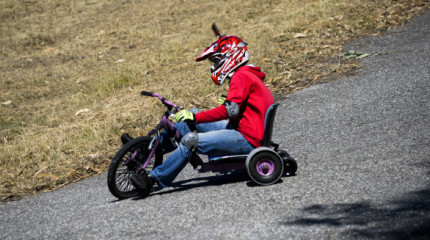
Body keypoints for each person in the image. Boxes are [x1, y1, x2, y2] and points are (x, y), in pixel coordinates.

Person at [130, 34, 274, 194]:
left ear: (230, 58)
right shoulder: (246, 74)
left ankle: (152, 179)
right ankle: (146, 150)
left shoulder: (240, 77)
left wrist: (197, 117)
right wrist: (204, 112)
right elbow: (236, 107)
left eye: (216, 61)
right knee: (191, 116)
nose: (214, 66)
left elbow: (230, 110)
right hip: (244, 128)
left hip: (247, 138)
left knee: (190, 139)